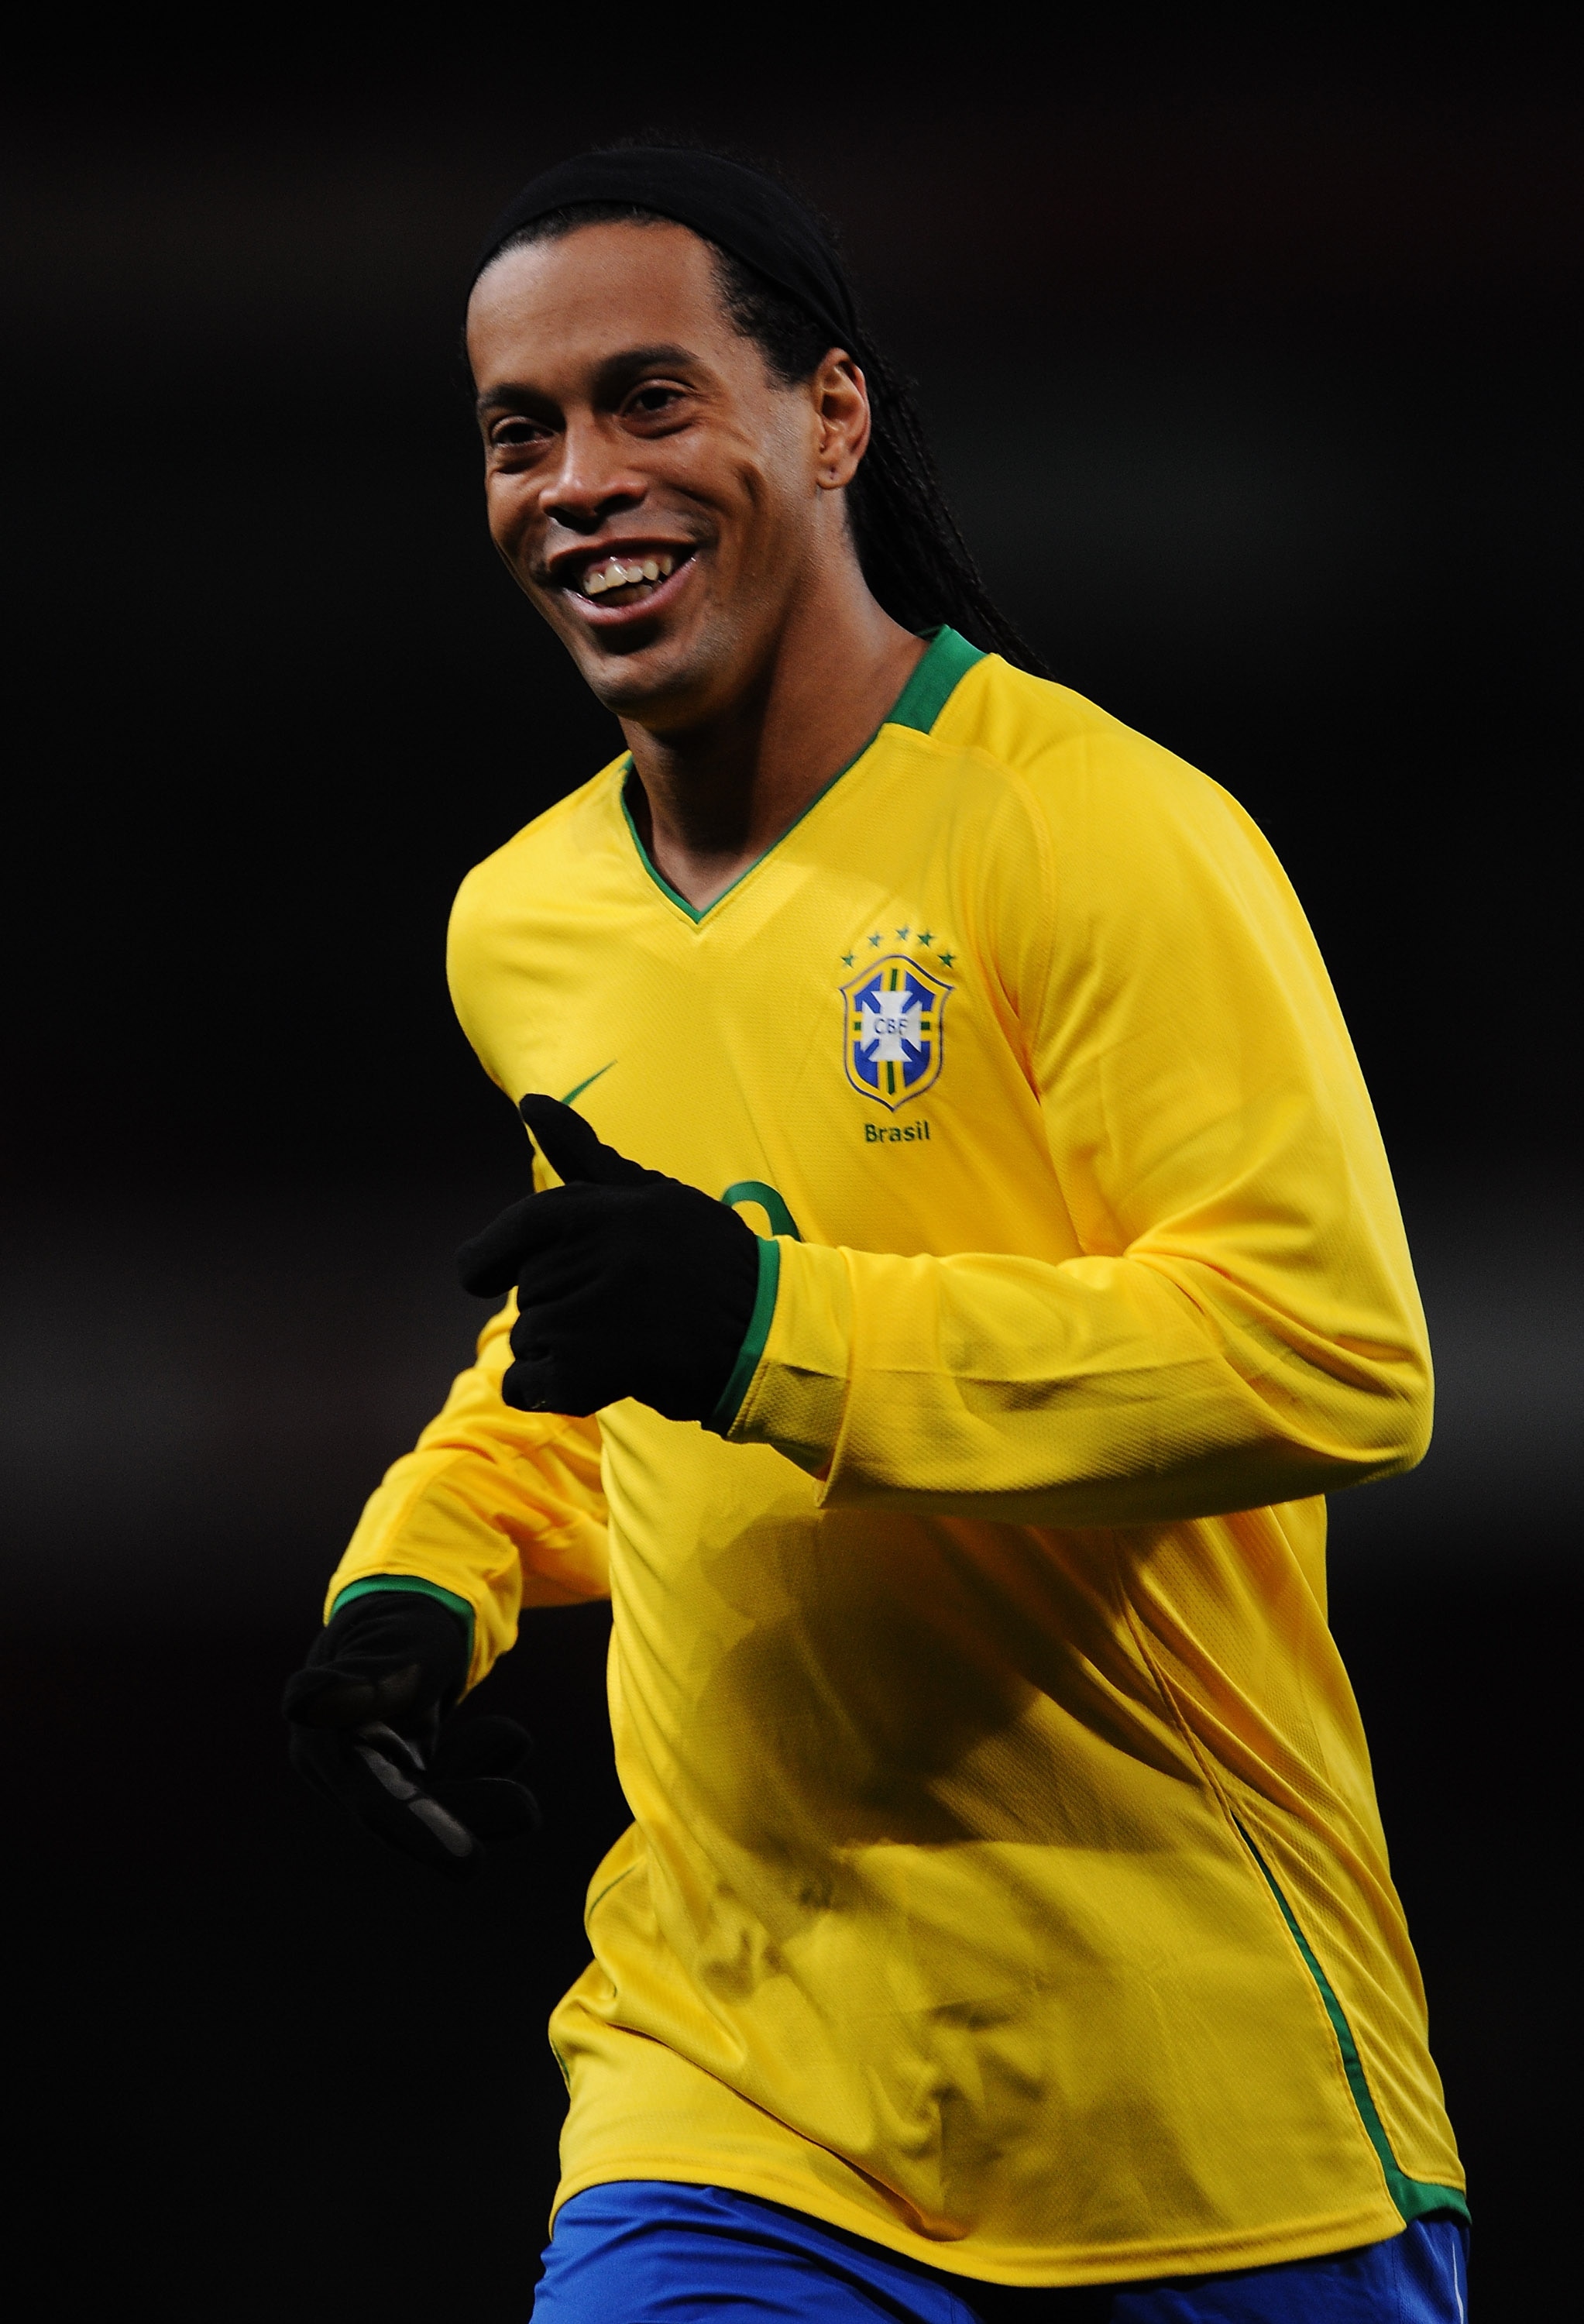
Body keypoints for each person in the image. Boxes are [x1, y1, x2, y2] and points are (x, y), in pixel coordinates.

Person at [283, 148, 1469, 2320]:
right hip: (729, 2094)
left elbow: (1333, 1353)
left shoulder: (1100, 833)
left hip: (1195, 2116)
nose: (578, 479)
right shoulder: (521, 923)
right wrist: (420, 1580)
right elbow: (605, 1350)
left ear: (830, 419)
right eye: (519, 429)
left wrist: (767, 1330)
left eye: (649, 400)